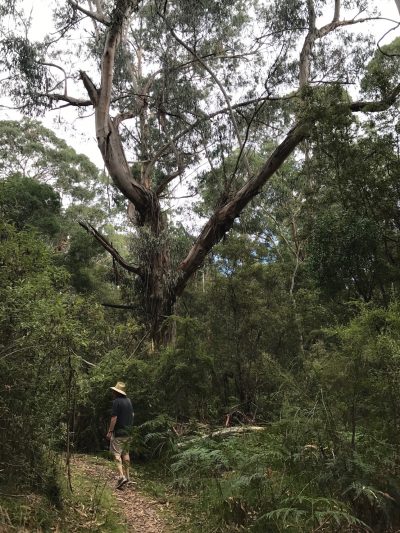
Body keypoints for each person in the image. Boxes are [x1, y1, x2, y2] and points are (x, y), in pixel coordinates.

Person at [106, 381, 134, 489]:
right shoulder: (129, 401)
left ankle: (121, 477)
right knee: (126, 454)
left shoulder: (116, 402)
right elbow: (132, 415)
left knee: (116, 454)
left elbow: (114, 418)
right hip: (128, 432)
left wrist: (110, 431)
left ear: (117, 392)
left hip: (119, 433)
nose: (113, 393)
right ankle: (128, 477)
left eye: (114, 391)